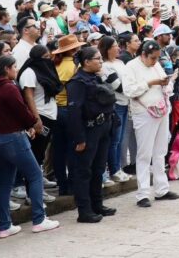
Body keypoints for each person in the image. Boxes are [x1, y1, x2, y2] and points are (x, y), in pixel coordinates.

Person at [0, 55, 59, 237]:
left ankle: (4, 225)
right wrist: (32, 123)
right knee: (35, 175)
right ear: (7, 69)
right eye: (14, 67)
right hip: (13, 137)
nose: (16, 70)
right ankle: (39, 219)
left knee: (5, 181)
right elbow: (21, 110)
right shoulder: (9, 88)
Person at [122, 40, 179, 208]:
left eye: (157, 58)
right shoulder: (131, 67)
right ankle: (143, 194)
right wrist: (151, 83)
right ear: (143, 55)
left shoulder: (155, 65)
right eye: (152, 58)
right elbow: (129, 90)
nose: (155, 61)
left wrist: (166, 83)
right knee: (144, 154)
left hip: (161, 109)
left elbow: (163, 83)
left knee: (160, 151)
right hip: (143, 113)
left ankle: (162, 189)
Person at [65, 47, 116, 223]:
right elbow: (74, 111)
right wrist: (79, 138)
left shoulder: (95, 77)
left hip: (102, 127)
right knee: (83, 172)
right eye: (97, 59)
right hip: (88, 130)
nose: (101, 61)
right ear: (86, 62)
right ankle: (84, 211)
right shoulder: (77, 82)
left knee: (98, 169)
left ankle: (97, 205)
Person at [48, 34, 82, 196]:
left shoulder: (56, 64)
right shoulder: (73, 67)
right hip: (69, 109)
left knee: (59, 150)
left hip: (56, 110)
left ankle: (62, 185)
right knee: (72, 149)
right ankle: (73, 184)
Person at [99, 37, 132, 184]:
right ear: (107, 49)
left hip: (125, 103)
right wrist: (133, 88)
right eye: (115, 46)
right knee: (115, 139)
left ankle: (118, 168)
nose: (118, 48)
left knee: (120, 140)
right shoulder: (105, 66)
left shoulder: (119, 63)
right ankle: (114, 170)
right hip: (116, 104)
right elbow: (117, 86)